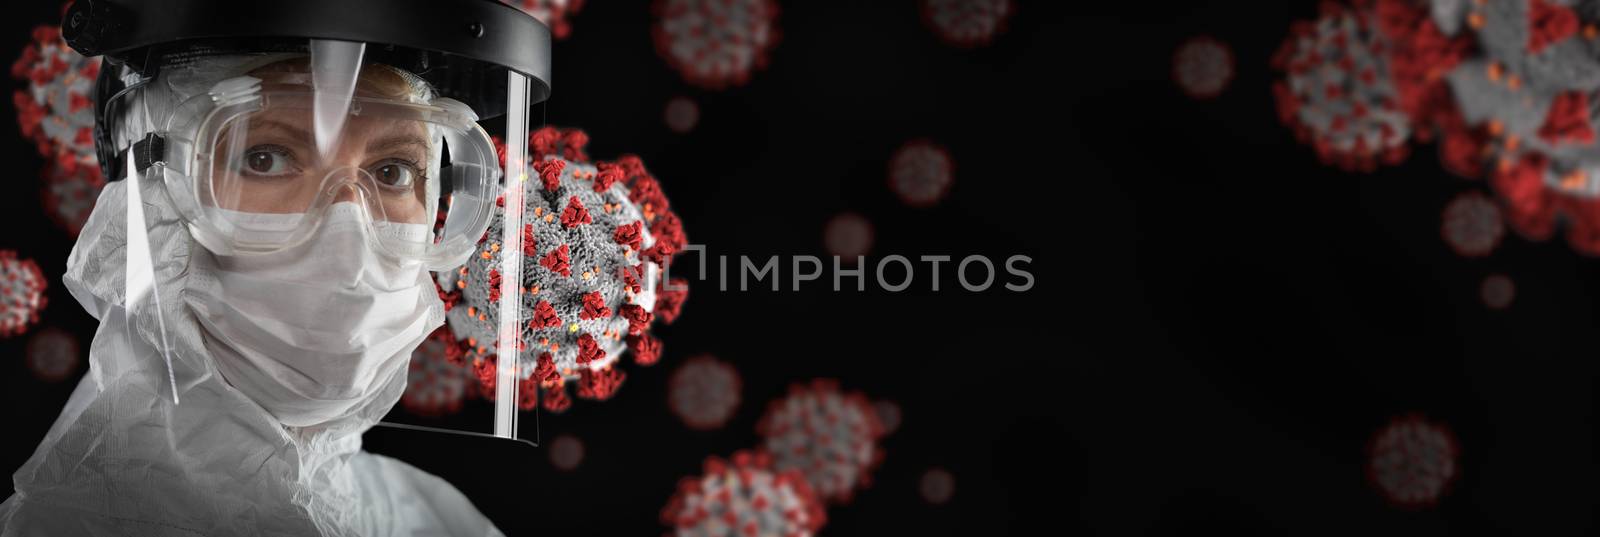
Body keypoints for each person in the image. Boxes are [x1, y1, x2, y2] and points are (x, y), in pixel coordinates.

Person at [0, 1, 551, 535]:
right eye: (263, 158)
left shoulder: (428, 521)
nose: (349, 239)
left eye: (393, 171)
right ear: (144, 201)